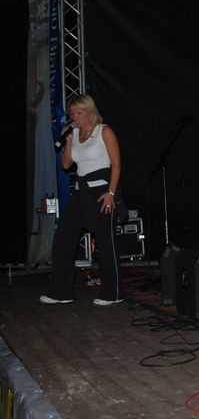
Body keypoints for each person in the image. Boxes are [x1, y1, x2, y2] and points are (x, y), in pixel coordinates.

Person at [40, 94, 124, 306]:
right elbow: (66, 164)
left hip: (102, 191)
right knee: (63, 238)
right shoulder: (75, 133)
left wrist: (111, 193)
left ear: (89, 111)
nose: (75, 117)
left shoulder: (104, 131)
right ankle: (62, 293)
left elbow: (116, 164)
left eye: (79, 113)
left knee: (105, 243)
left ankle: (113, 293)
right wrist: (68, 141)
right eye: (72, 114)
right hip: (81, 192)